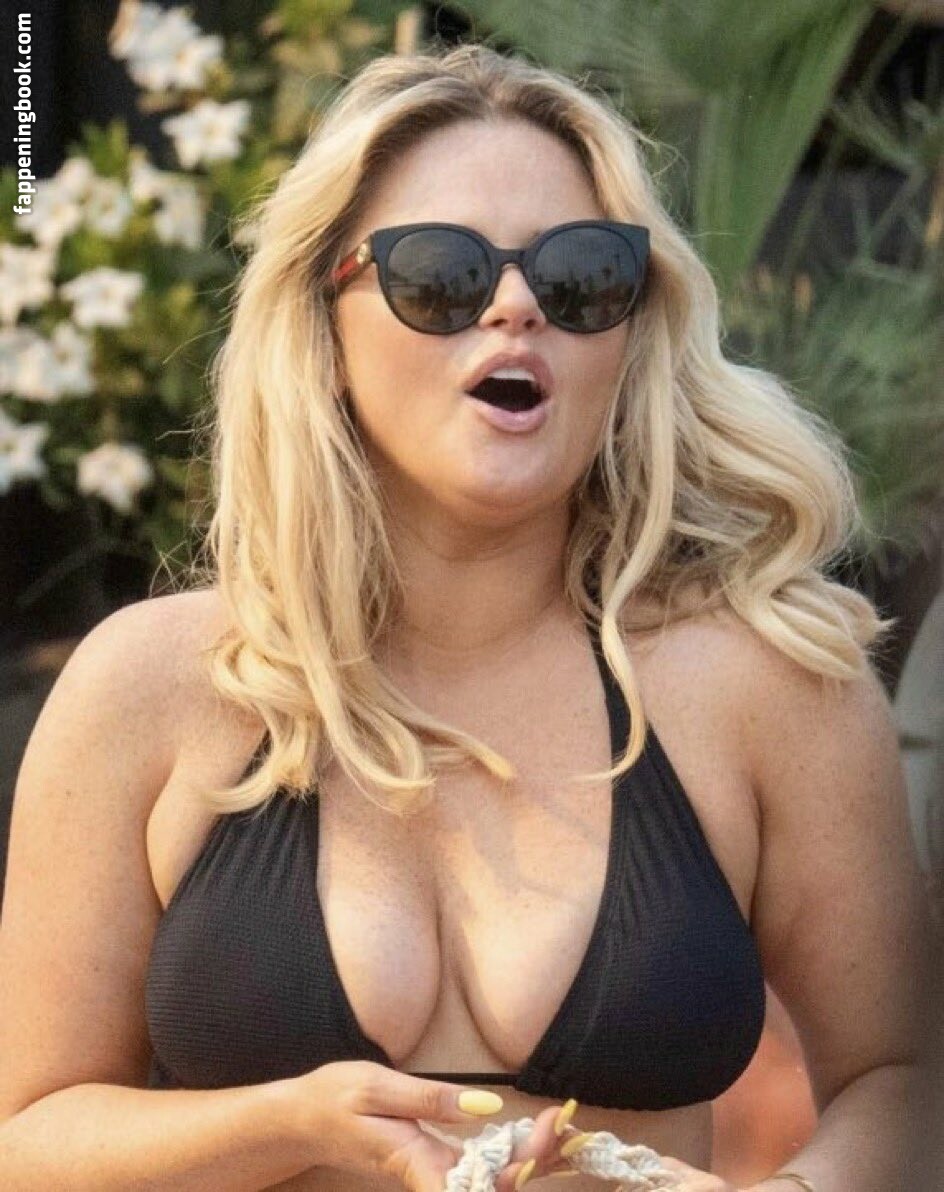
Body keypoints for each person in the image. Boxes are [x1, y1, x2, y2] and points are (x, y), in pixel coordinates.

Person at [0, 41, 935, 1192]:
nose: (513, 306)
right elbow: (23, 1137)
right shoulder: (150, 684)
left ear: (628, 335)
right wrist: (291, 1122)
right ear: (324, 327)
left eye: (579, 275)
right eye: (439, 276)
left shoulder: (764, 679)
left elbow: (906, 1076)